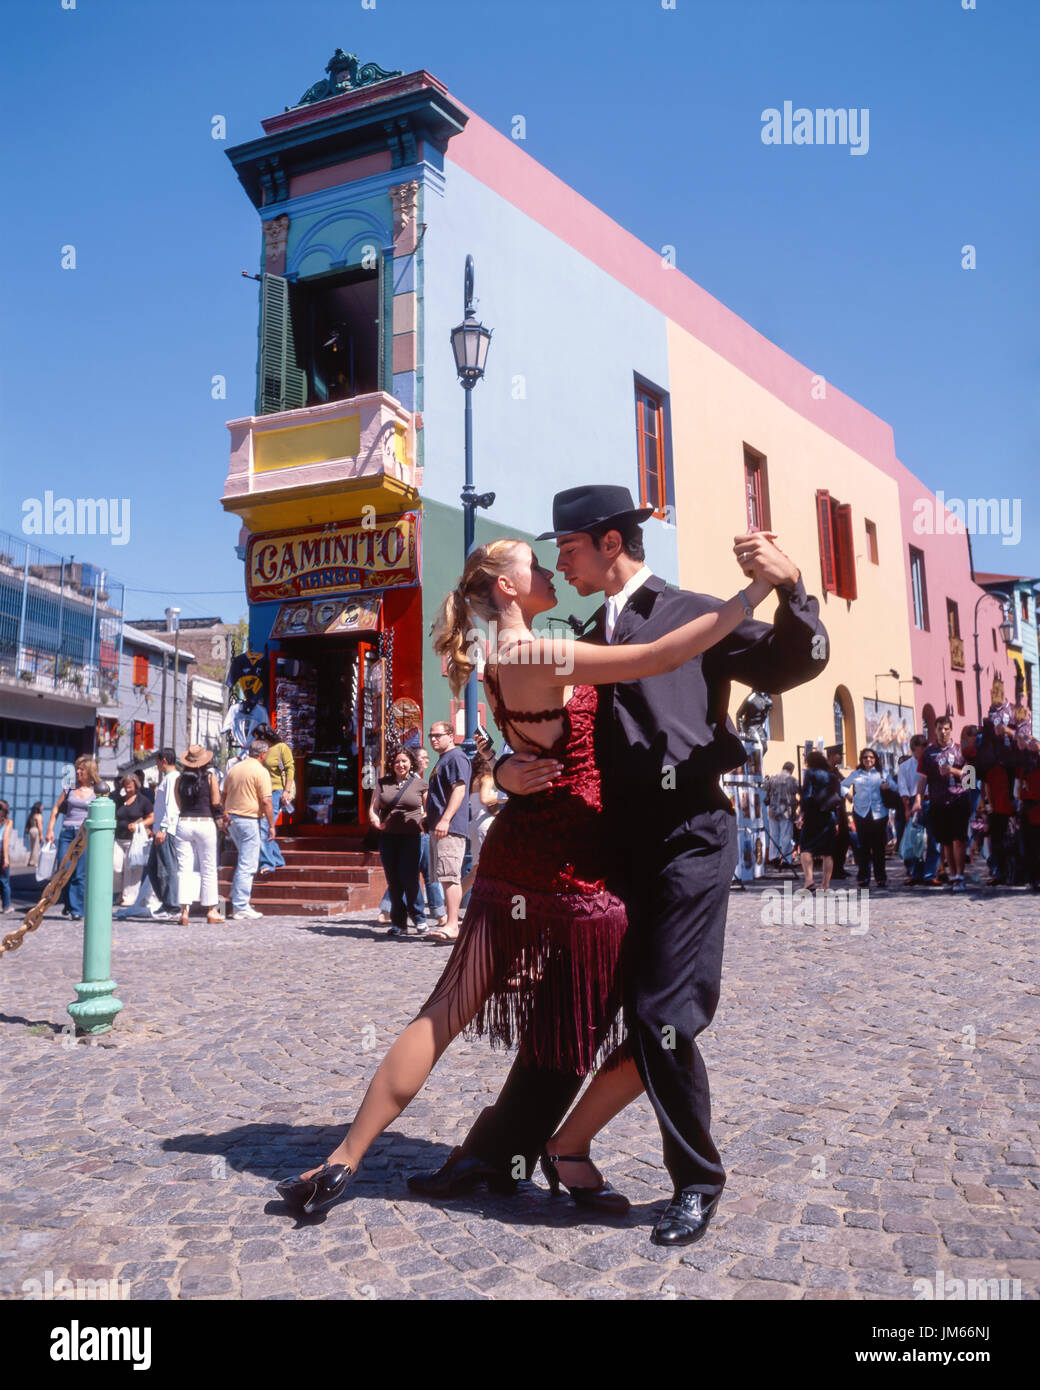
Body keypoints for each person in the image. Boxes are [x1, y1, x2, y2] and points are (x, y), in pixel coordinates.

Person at [273, 525, 794, 1217]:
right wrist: (761, 587)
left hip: (514, 855)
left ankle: (343, 1160)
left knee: (445, 1010)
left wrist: (507, 776)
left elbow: (511, 747)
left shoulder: (494, 657)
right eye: (535, 566)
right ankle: (565, 1145)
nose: (550, 571)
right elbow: (662, 652)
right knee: (660, 1015)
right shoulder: (542, 650)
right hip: (574, 867)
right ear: (509, 586)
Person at [370, 747, 428, 937]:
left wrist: (423, 821)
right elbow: (374, 807)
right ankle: (399, 923)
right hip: (388, 837)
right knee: (393, 880)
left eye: (404, 761)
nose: (400, 765)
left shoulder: (420, 784)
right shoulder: (382, 783)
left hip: (411, 837)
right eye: (397, 762)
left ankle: (419, 918)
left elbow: (428, 810)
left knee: (410, 878)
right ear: (391, 764)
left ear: (411, 762)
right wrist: (375, 820)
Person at [424, 720, 472, 944]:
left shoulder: (455, 757)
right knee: (444, 877)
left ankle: (453, 925)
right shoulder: (443, 760)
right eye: (431, 735)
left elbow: (459, 789)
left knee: (450, 876)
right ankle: (450, 921)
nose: (434, 739)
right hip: (439, 827)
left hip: (449, 828)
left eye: (438, 735)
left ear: (451, 735)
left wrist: (445, 819)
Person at [221, 739, 275, 920]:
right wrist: (272, 824)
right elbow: (267, 801)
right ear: (262, 754)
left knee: (243, 859)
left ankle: (236, 897)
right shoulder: (261, 771)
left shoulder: (235, 768)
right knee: (248, 863)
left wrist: (224, 816)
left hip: (232, 819)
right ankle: (241, 905)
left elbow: (224, 794)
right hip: (249, 819)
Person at [45, 757, 102, 920]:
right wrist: (50, 829)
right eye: (77, 769)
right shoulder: (69, 788)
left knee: (79, 873)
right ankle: (69, 904)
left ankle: (77, 910)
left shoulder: (97, 791)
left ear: (89, 772)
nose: (77, 772)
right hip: (67, 832)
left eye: (81, 769)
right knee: (64, 870)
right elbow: (56, 808)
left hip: (84, 834)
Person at [174, 745, 225, 925]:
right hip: (205, 823)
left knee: (184, 868)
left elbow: (179, 804)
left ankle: (184, 912)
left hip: (184, 822)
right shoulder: (211, 778)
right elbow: (216, 802)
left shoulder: (179, 780)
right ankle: (211, 911)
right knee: (208, 867)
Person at [920, 715, 971, 891]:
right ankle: (952, 875)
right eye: (940, 729)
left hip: (958, 799)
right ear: (934, 730)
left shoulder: (960, 750)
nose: (943, 732)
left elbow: (970, 779)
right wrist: (917, 800)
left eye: (946, 728)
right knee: (946, 841)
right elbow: (922, 779)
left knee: (958, 839)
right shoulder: (928, 753)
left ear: (951, 730)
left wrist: (953, 771)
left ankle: (960, 876)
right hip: (938, 802)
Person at [840, 747, 895, 888]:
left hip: (879, 813)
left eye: (871, 757)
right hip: (861, 813)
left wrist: (888, 785)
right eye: (865, 757)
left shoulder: (882, 773)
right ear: (861, 760)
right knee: (863, 847)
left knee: (878, 848)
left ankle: (880, 877)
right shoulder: (856, 774)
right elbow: (842, 786)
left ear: (875, 759)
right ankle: (863, 877)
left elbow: (895, 786)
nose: (868, 760)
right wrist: (848, 796)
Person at [460, 748, 502, 897]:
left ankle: (451, 903)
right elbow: (485, 799)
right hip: (485, 824)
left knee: (475, 871)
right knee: (494, 868)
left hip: (475, 825)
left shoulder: (474, 779)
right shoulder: (487, 777)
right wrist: (503, 796)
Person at [797, 750, 839, 891]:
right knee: (827, 852)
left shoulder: (810, 774)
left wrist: (801, 813)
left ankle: (809, 880)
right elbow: (837, 799)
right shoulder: (832, 776)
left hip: (813, 815)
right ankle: (825, 885)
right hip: (829, 816)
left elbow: (807, 795)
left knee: (805, 848)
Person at [146, 749, 182, 919]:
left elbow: (172, 806)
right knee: (154, 868)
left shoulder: (172, 779)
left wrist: (164, 828)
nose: (157, 764)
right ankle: (166, 902)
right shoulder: (168, 779)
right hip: (159, 830)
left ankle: (173, 905)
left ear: (164, 760)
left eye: (158, 761)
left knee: (167, 868)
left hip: (165, 830)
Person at [254, 723, 291, 874]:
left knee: (264, 826)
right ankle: (277, 859)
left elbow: (290, 768)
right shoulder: (260, 751)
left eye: (257, 738)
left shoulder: (281, 748)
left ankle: (267, 863)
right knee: (263, 826)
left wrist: (287, 790)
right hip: (262, 792)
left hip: (275, 791)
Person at [113, 773, 153, 906]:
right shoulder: (119, 800)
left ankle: (129, 897)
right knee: (116, 867)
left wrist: (138, 825)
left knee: (133, 870)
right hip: (118, 839)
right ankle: (120, 892)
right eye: (125, 786)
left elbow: (151, 817)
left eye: (130, 786)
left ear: (136, 786)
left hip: (135, 840)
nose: (128, 789)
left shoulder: (143, 801)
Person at [763, 761, 798, 868]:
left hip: (773, 810)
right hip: (786, 811)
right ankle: (786, 860)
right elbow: (797, 792)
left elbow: (764, 788)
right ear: (791, 770)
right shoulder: (792, 780)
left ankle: (773, 858)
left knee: (774, 835)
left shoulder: (773, 778)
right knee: (786, 835)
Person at [825, 745, 851, 879]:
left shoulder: (835, 771)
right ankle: (834, 871)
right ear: (832, 755)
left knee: (844, 839)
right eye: (839, 755)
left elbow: (843, 786)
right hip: (831, 811)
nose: (841, 757)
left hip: (841, 811)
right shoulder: (825, 771)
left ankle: (839, 867)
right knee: (834, 840)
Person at [0, 800, 12, 914]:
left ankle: (5, 906)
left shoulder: (7, 822)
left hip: (1, 848)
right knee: (4, 880)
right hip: (2, 850)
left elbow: (5, 840)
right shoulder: (8, 822)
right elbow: (5, 840)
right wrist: (6, 857)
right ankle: (6, 907)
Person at [24, 803, 43, 869]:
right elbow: (39, 826)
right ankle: (35, 862)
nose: (42, 807)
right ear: (39, 807)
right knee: (36, 847)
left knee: (32, 847)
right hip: (36, 830)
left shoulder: (31, 815)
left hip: (31, 830)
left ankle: (30, 861)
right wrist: (41, 835)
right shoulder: (39, 815)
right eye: (41, 806)